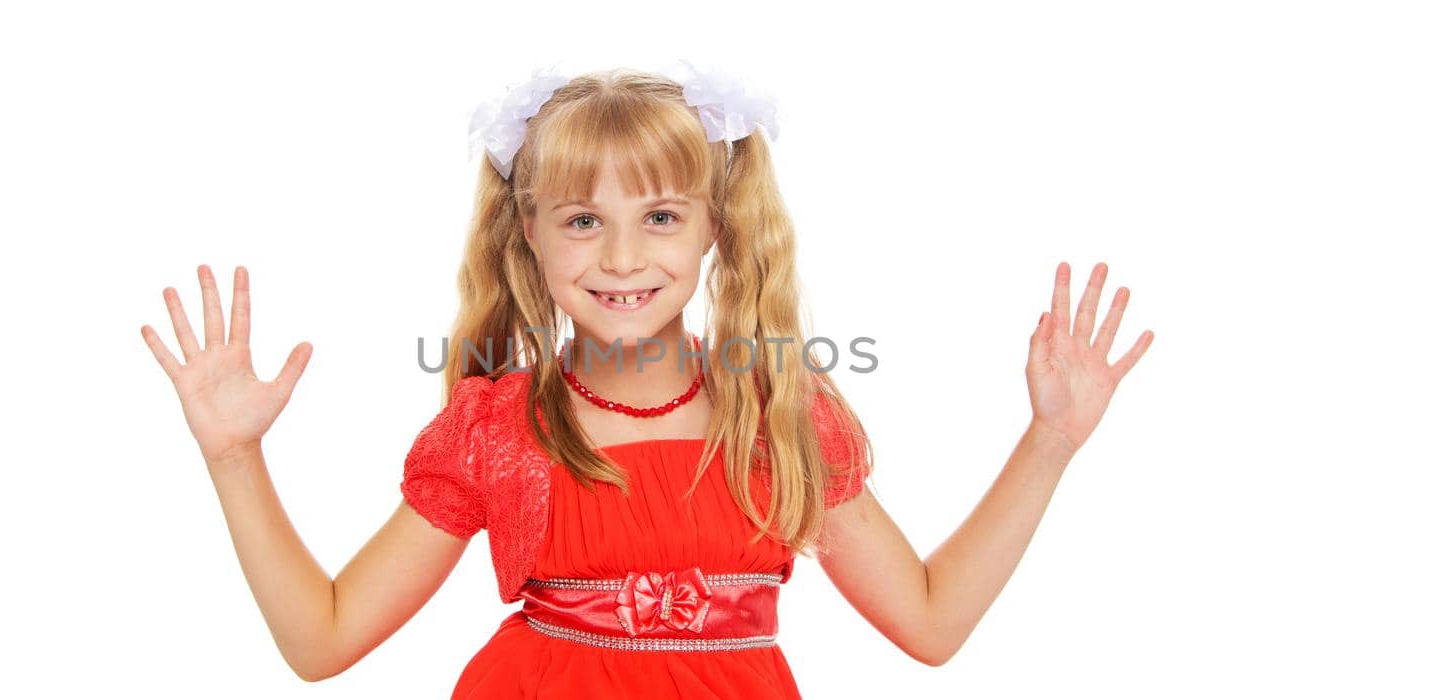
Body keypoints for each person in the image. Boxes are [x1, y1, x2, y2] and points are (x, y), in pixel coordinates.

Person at [139, 61, 1155, 698]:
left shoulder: (780, 417)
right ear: (527, 236)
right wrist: (233, 456)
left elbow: (930, 625)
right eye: (582, 218)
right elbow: (320, 643)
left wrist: (1050, 441)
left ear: (716, 225)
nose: (621, 255)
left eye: (660, 215)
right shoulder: (495, 432)